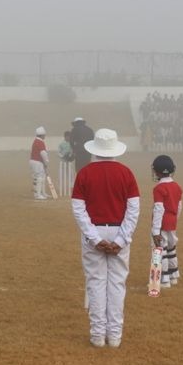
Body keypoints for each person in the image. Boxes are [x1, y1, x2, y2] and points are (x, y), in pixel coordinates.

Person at [71, 128, 140, 348]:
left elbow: (78, 209)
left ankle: (98, 335)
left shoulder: (84, 174)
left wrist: (93, 237)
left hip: (95, 232)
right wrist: (121, 239)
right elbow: (133, 209)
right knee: (117, 285)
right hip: (119, 230)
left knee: (96, 284)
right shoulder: (126, 173)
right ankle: (115, 337)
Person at [150, 155, 183, 289]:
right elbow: (179, 206)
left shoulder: (159, 189)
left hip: (162, 223)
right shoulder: (177, 186)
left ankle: (160, 281)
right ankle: (173, 276)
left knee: (158, 251)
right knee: (171, 249)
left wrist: (155, 230)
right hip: (172, 222)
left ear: (156, 171)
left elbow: (159, 209)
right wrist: (175, 219)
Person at [29, 126, 50, 200]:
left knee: (40, 177)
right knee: (39, 177)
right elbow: (43, 153)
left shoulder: (36, 141)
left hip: (35, 161)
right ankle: (38, 194)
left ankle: (42, 193)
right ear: (42, 135)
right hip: (37, 162)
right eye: (44, 135)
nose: (45, 136)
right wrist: (46, 162)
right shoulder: (40, 142)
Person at [58, 130, 75, 197]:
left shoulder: (72, 144)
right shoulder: (61, 144)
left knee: (71, 175)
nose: (68, 138)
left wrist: (71, 156)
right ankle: (60, 187)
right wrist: (63, 156)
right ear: (65, 137)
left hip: (69, 162)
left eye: (69, 137)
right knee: (61, 175)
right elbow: (58, 152)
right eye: (67, 136)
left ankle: (71, 187)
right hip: (62, 162)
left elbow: (73, 152)